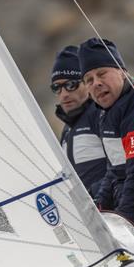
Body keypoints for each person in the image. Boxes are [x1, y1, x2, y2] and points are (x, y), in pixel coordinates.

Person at [78, 37, 134, 224]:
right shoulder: (107, 111)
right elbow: (114, 169)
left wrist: (124, 219)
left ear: (122, 72)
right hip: (127, 201)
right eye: (89, 80)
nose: (96, 83)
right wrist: (99, 208)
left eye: (102, 74)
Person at [50, 45, 107, 197]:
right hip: (87, 215)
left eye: (70, 85)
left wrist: (94, 193)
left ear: (87, 83)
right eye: (57, 88)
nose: (64, 94)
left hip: (112, 213)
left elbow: (124, 167)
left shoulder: (101, 114)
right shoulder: (68, 128)